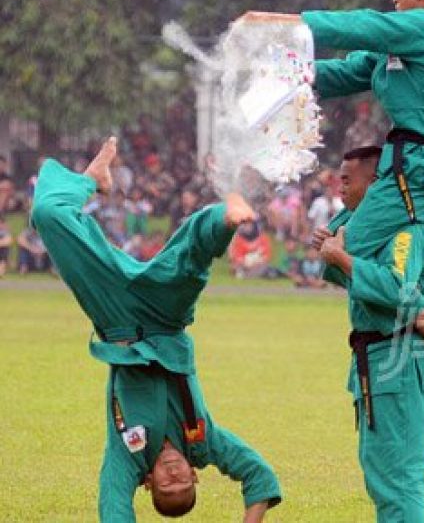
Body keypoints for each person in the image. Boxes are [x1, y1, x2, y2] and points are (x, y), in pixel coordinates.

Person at [30, 137, 281, 521]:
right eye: (185, 482)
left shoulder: (127, 458)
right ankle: (224, 219)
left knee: (48, 214)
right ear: (196, 476)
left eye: (167, 484)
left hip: (115, 318)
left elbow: (114, 510)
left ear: (148, 481)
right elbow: (257, 474)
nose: (176, 474)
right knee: (185, 267)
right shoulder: (205, 443)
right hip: (165, 319)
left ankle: (87, 180)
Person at [243, 0, 424, 265]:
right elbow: (348, 72)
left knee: (343, 252)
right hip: (406, 164)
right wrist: (289, 73)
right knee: (333, 244)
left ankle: (418, 309)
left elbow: (365, 26)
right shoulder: (402, 44)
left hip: (421, 168)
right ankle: (422, 305)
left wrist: (296, 26)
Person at [312, 145, 424, 522]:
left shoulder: (405, 228)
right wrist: (334, 248)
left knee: (398, 481)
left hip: (398, 362)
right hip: (382, 362)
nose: (339, 185)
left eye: (347, 179)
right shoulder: (372, 229)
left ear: (377, 184)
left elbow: (395, 287)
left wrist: (341, 258)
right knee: (384, 475)